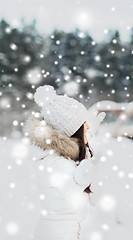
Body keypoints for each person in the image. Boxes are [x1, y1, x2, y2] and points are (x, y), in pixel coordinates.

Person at [24, 85, 105, 240]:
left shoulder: (57, 159)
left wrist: (88, 134)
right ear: (73, 132)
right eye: (84, 125)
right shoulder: (59, 166)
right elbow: (78, 186)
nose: (88, 127)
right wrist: (90, 164)